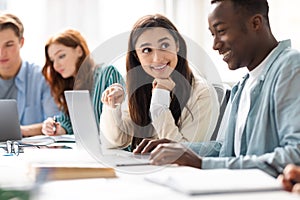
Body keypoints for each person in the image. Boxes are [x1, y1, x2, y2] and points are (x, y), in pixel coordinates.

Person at [133, 0, 300, 177]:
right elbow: (225, 149)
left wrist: (202, 163)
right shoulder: (243, 84)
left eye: (221, 31)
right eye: (212, 34)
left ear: (255, 23)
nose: (215, 45)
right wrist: (178, 148)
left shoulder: (290, 67)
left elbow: (295, 157)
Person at [100, 14, 219, 151]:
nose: (157, 58)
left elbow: (183, 153)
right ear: (136, 56)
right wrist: (113, 105)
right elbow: (117, 142)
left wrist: (159, 104)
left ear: (177, 46)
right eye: (146, 50)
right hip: (144, 168)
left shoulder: (202, 92)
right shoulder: (140, 88)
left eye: (164, 45)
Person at [41, 29, 124, 135]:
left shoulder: (107, 73)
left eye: (61, 56)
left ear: (79, 51)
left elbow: (121, 121)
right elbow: (69, 124)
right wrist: (55, 129)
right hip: (86, 149)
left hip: (113, 149)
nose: (56, 65)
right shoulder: (69, 84)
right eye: (52, 60)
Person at [0, 13, 59, 136]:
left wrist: (20, 130)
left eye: (9, 45)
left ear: (21, 42)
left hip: (34, 153)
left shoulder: (42, 78)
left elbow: (56, 122)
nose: (1, 53)